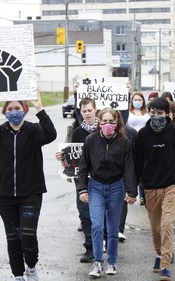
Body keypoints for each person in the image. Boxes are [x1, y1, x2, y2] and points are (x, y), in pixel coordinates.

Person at [0, 92, 57, 281]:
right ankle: (18, 275)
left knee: (27, 235)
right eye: (10, 109)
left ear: (24, 110)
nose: (14, 112)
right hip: (5, 196)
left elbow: (51, 134)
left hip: (31, 193)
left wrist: (40, 108)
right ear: (4, 111)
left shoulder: (33, 131)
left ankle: (31, 267)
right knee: (13, 237)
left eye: (17, 108)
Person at [134, 97, 175, 281]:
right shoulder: (143, 135)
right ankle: (159, 253)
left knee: (167, 224)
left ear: (168, 114)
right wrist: (131, 190)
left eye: (160, 114)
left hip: (172, 184)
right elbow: (137, 163)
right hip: (150, 186)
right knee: (155, 228)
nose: (156, 117)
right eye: (152, 113)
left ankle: (165, 265)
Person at [77, 107, 137, 278]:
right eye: (104, 121)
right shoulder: (90, 140)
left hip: (116, 186)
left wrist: (131, 191)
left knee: (112, 227)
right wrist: (82, 188)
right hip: (95, 185)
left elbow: (129, 168)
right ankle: (97, 262)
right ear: (99, 122)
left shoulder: (124, 142)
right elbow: (83, 166)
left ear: (117, 122)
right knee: (96, 225)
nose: (108, 124)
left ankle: (111, 261)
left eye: (112, 121)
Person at [56, 97, 98, 263]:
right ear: (80, 113)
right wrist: (62, 155)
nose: (87, 113)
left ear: (95, 109)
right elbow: (72, 157)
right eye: (84, 111)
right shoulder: (77, 132)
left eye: (89, 110)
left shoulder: (103, 129)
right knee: (84, 212)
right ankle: (89, 248)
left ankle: (102, 243)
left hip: (101, 179)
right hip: (82, 179)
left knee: (99, 214)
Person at [126, 92, 150, 206]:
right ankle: (132, 191)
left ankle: (143, 194)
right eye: (135, 99)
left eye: (140, 99)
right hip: (131, 142)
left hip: (144, 142)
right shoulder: (128, 113)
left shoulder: (146, 113)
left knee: (144, 167)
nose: (137, 101)